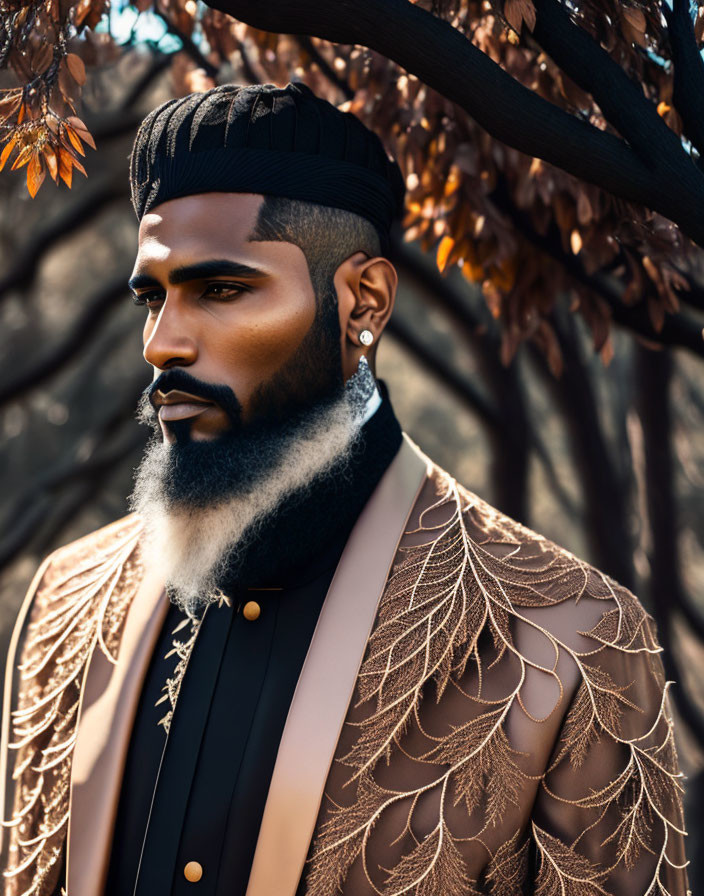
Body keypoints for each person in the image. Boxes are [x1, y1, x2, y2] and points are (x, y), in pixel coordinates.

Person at [0, 82, 690, 896]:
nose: (163, 344)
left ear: (363, 302)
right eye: (154, 297)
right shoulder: (63, 603)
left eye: (221, 290)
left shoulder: (568, 638)